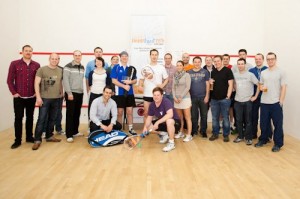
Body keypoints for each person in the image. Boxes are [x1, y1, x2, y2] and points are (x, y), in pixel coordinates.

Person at [7, 45, 40, 149]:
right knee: (18, 118)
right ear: (22, 52)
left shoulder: (36, 65)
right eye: (26, 51)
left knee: (30, 118)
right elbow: (9, 80)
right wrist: (14, 93)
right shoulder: (14, 64)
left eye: (30, 51)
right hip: (19, 98)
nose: (28, 52)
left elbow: (38, 81)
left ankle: (29, 137)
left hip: (31, 96)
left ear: (32, 52)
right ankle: (17, 140)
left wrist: (36, 92)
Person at [255, 52, 287, 152]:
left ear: (275, 59)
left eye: (272, 59)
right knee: (264, 123)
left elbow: (284, 87)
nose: (270, 61)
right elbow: (260, 85)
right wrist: (261, 87)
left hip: (275, 103)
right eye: (268, 59)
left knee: (278, 124)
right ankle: (263, 139)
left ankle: (278, 144)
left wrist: (280, 101)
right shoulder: (264, 73)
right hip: (264, 102)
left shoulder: (281, 72)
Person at [32, 53, 63, 150]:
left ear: (58, 60)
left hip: (56, 99)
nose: (54, 60)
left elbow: (60, 83)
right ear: (49, 59)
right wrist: (38, 97)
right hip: (44, 98)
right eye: (52, 58)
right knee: (41, 119)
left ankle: (49, 136)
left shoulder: (60, 70)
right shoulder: (42, 69)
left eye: (56, 59)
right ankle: (37, 140)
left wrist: (61, 93)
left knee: (52, 119)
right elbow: (36, 83)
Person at [142, 87, 181, 152]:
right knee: (148, 126)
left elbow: (170, 115)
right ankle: (164, 134)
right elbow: (149, 118)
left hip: (175, 123)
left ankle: (171, 143)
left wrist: (157, 123)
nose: (156, 97)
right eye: (154, 95)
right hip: (163, 123)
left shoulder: (166, 101)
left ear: (162, 96)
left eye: (158, 95)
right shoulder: (152, 105)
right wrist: (145, 128)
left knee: (169, 120)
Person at [233, 58, 260, 146]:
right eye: (239, 64)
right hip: (237, 101)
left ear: (245, 65)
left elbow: (259, 84)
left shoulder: (250, 74)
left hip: (248, 101)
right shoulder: (235, 75)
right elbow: (234, 84)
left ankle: (248, 138)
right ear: (237, 65)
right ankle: (240, 136)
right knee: (238, 120)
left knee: (248, 120)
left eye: (242, 64)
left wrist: (255, 96)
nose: (240, 65)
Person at [111, 51, 137, 135]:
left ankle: (131, 128)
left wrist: (130, 82)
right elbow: (113, 80)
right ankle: (119, 129)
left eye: (126, 56)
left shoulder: (131, 68)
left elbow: (135, 80)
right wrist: (124, 86)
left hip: (129, 94)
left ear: (128, 57)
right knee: (120, 112)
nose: (124, 57)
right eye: (123, 56)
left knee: (129, 111)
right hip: (119, 94)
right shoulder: (116, 67)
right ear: (120, 57)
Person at [138, 49, 168, 121]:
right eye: (152, 55)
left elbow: (166, 79)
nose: (154, 56)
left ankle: (159, 130)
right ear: (150, 56)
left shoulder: (161, 67)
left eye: (155, 55)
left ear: (157, 56)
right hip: (147, 94)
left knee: (159, 114)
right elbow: (141, 79)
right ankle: (146, 130)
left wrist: (162, 85)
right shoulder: (145, 67)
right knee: (146, 113)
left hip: (158, 95)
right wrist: (140, 86)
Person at [209, 55, 234, 142]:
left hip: (225, 99)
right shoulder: (213, 72)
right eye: (215, 61)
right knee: (214, 118)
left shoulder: (228, 70)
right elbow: (211, 86)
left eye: (218, 61)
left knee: (225, 118)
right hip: (214, 99)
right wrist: (210, 83)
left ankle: (226, 135)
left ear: (222, 61)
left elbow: (231, 84)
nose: (216, 63)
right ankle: (215, 133)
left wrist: (228, 96)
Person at [63, 50, 85, 143]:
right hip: (71, 93)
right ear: (73, 56)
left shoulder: (82, 67)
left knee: (77, 113)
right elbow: (65, 80)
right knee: (70, 114)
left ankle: (75, 131)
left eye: (79, 55)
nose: (77, 57)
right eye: (76, 55)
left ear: (81, 56)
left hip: (80, 93)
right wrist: (69, 93)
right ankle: (69, 134)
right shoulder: (68, 66)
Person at [249, 53, 270, 139]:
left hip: (265, 96)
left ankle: (267, 135)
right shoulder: (251, 70)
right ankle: (253, 133)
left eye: (259, 59)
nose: (258, 60)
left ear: (263, 59)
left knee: (265, 117)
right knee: (254, 116)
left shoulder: (267, 70)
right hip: (254, 97)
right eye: (256, 59)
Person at [188, 56, 210, 138]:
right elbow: (187, 86)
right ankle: (194, 130)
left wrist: (207, 96)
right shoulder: (189, 72)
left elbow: (208, 84)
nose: (197, 63)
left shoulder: (205, 72)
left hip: (203, 97)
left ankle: (203, 131)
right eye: (195, 62)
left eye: (198, 62)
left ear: (201, 63)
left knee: (204, 115)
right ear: (193, 63)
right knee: (194, 115)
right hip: (192, 98)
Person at [172, 60, 192, 142]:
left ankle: (189, 135)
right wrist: (174, 97)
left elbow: (188, 87)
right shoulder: (175, 75)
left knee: (187, 117)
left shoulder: (187, 75)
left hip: (185, 98)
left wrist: (180, 97)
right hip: (176, 100)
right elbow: (173, 88)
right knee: (180, 118)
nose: (179, 66)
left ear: (183, 66)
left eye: (180, 65)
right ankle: (181, 132)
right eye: (177, 65)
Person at [88, 57, 112, 122]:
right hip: (93, 94)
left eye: (100, 61)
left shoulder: (107, 73)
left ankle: (104, 125)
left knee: (104, 110)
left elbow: (108, 84)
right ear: (95, 63)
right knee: (92, 110)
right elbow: (90, 84)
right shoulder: (91, 73)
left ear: (102, 62)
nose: (98, 63)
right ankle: (91, 125)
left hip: (104, 95)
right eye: (97, 61)